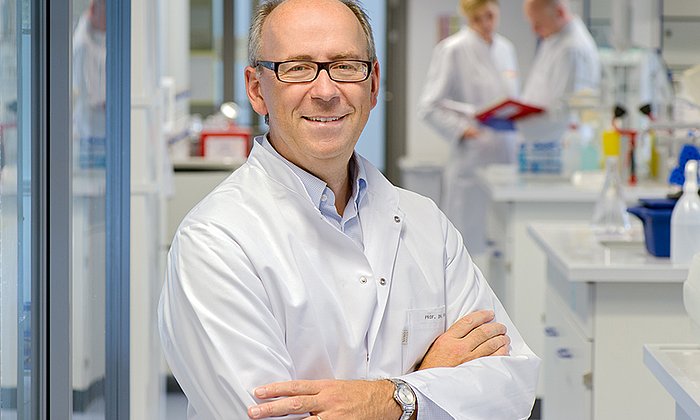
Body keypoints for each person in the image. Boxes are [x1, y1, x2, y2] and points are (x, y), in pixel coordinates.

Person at [158, 0, 540, 419]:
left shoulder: (426, 223)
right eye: (297, 67)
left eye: (346, 65)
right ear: (256, 89)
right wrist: (426, 388)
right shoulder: (215, 242)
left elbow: (512, 388)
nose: (325, 91)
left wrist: (392, 398)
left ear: (373, 84)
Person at [418, 0, 520, 256]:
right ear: (467, 18)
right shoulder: (453, 49)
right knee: (467, 246)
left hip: (506, 155)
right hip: (472, 160)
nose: (486, 24)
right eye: (478, 19)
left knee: (503, 245)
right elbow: (429, 107)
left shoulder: (506, 49)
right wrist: (465, 130)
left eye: (490, 16)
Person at [521, 0, 600, 109]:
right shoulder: (553, 38)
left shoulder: (572, 49)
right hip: (536, 124)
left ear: (559, 12)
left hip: (554, 125)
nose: (534, 30)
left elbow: (564, 110)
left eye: (538, 23)